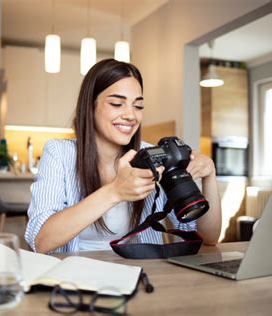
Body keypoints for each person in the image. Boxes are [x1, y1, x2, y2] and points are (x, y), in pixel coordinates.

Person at [25, 59, 221, 254]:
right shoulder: (59, 153)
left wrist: (210, 175)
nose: (131, 115)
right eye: (117, 103)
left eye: (138, 106)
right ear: (90, 106)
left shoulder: (153, 155)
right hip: (77, 276)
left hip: (142, 274)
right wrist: (114, 192)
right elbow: (41, 240)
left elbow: (209, 238)